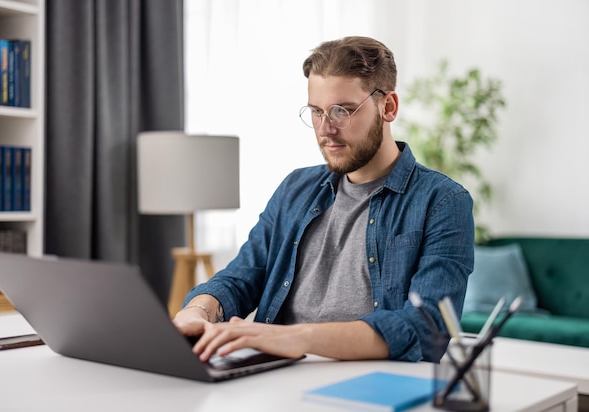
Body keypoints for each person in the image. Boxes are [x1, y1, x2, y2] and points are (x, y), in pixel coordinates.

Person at [173, 36, 474, 363]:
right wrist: (197, 312)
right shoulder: (295, 188)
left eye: (341, 111)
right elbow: (241, 276)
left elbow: (427, 328)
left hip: (369, 386)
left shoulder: (442, 201)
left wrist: (297, 337)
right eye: (316, 112)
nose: (325, 129)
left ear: (388, 107)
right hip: (275, 380)